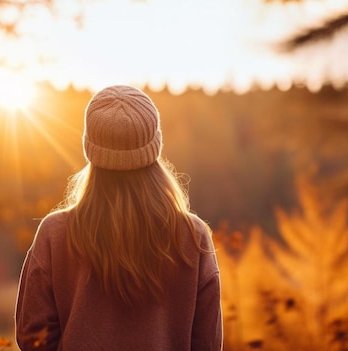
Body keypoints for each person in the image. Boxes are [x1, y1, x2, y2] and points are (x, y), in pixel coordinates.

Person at [15, 85, 223, 351]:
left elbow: (32, 338)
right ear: (154, 146)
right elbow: (208, 343)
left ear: (90, 147)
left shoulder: (55, 233)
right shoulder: (193, 237)